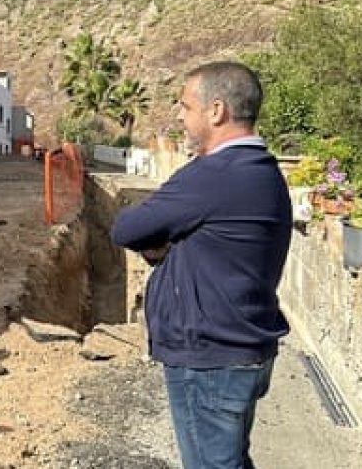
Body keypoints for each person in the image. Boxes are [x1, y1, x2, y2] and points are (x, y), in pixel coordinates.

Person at [110, 61, 291, 469]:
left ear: (216, 110)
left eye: (185, 105)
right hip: (239, 350)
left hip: (211, 359)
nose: (179, 115)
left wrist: (165, 243)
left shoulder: (212, 174)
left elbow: (126, 228)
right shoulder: (262, 169)